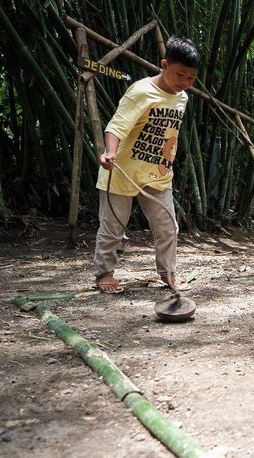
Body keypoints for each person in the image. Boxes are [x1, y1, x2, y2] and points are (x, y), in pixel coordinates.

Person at [93, 37, 200, 293]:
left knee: (167, 227)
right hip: (122, 171)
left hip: (158, 173)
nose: (184, 83)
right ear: (164, 64)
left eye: (191, 78)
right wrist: (109, 153)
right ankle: (104, 274)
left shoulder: (182, 97)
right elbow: (117, 125)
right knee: (113, 227)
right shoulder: (142, 91)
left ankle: (168, 273)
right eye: (180, 75)